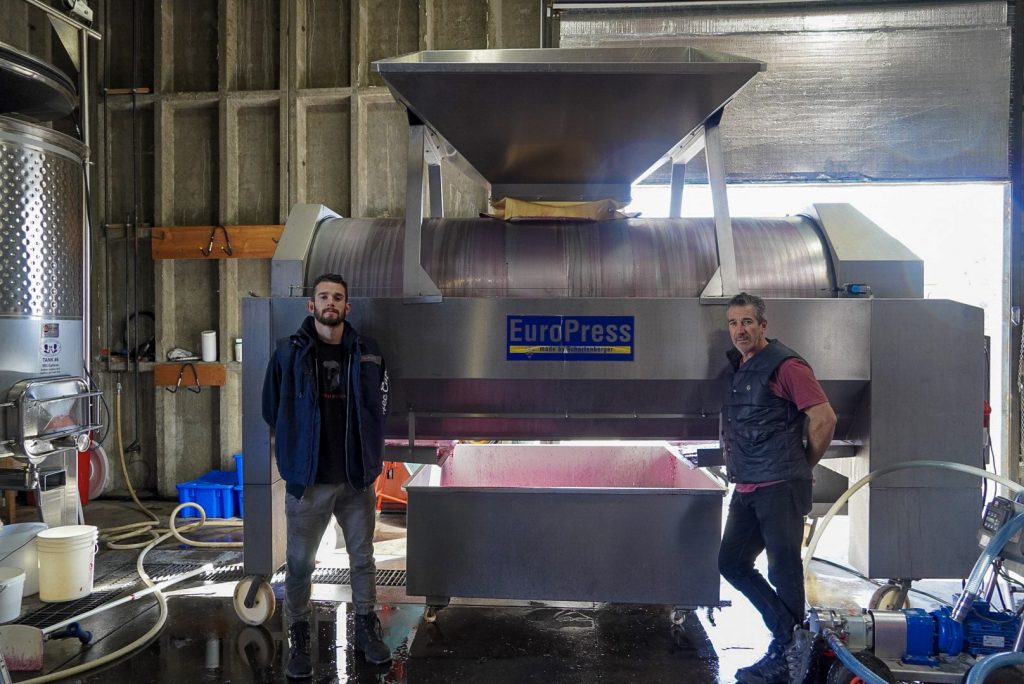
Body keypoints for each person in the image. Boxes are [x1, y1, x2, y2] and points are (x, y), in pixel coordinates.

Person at [262, 273, 392, 679]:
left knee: (363, 559)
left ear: (347, 307)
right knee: (300, 564)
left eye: (338, 297)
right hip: (309, 480)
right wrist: (295, 453)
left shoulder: (367, 352)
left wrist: (370, 455)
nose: (330, 303)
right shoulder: (288, 353)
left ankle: (367, 630)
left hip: (355, 479)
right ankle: (298, 636)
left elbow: (380, 405)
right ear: (311, 305)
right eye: (323, 297)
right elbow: (271, 409)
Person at [718, 292, 837, 684]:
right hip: (748, 487)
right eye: (734, 323)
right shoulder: (740, 366)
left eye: (748, 322)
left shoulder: (786, 366)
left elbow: (823, 418)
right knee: (731, 563)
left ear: (763, 325)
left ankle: (788, 656)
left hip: (780, 486)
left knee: (783, 570)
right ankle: (791, 641)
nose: (740, 330)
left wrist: (803, 466)